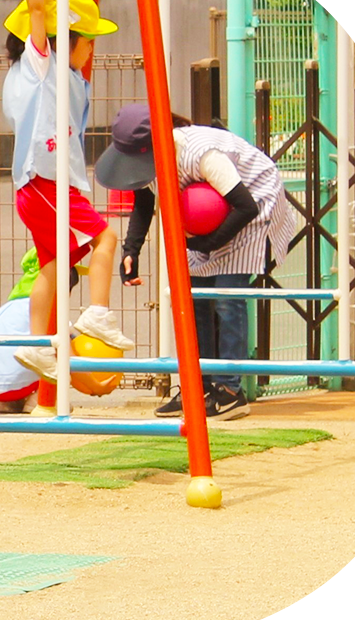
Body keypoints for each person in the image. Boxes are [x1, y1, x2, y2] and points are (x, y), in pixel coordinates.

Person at [95, 103, 298, 420]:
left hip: (252, 204)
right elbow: (145, 201)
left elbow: (245, 206)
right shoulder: (153, 162)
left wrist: (205, 244)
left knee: (227, 300)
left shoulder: (202, 154)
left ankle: (230, 391)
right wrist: (130, 250)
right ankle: (199, 386)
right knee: (195, 299)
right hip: (203, 220)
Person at [1, 0, 136, 381]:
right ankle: (97, 314)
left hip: (45, 185)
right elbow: (40, 9)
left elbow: (51, 3)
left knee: (54, 266)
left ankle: (39, 345)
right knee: (106, 239)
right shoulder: (43, 64)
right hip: (45, 182)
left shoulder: (69, 75)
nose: (92, 50)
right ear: (64, 41)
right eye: (88, 41)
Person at [0, 250, 81, 413]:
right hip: (12, 383)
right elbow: (69, 354)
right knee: (57, 349)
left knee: (33, 349)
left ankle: (12, 402)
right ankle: (41, 398)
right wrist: (93, 378)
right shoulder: (46, 310)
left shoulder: (7, 308)